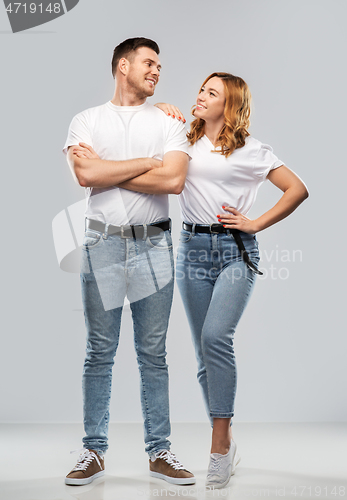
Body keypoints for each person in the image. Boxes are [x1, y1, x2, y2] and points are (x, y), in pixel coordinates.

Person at [155, 72, 309, 489]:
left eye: (212, 93)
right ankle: (227, 439)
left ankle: (219, 446)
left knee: (216, 337)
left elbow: (297, 188)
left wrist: (255, 223)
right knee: (205, 354)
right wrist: (158, 110)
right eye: (201, 89)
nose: (201, 96)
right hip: (191, 250)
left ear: (231, 105)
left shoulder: (253, 151)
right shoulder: (182, 141)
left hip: (235, 253)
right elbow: (153, 148)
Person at [62, 37, 195, 486]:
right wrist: (145, 164)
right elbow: (86, 174)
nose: (157, 71)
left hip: (155, 246)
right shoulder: (86, 119)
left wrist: (111, 168)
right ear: (123, 65)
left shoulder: (170, 120)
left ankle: (160, 451)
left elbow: (174, 181)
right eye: (149, 63)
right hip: (102, 244)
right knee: (99, 351)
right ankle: (93, 452)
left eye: (160, 65)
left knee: (153, 354)